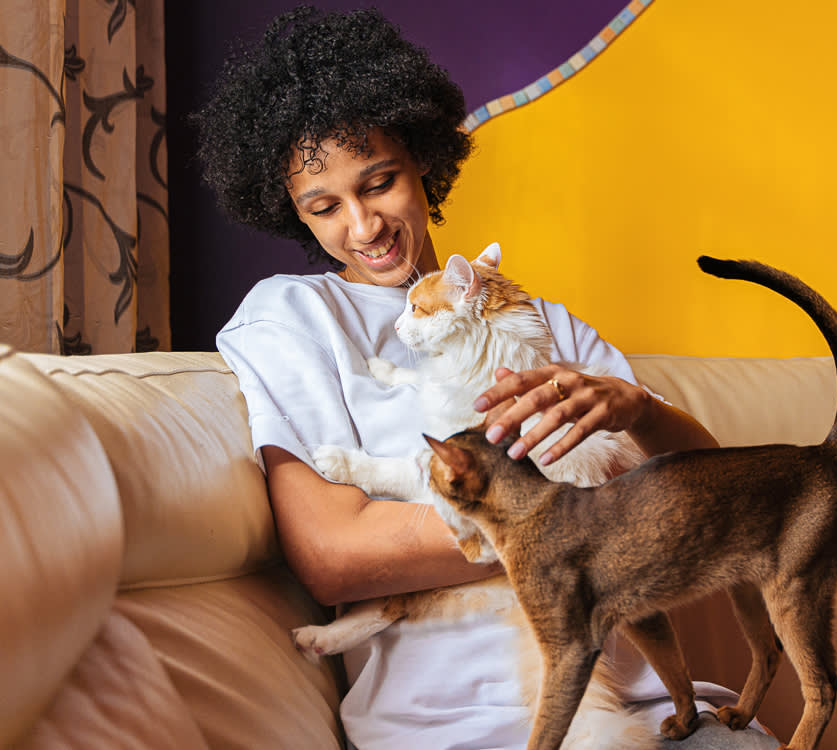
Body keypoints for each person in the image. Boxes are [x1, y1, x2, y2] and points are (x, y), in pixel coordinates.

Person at [195, 6, 781, 749]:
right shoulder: (292, 319)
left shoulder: (543, 322)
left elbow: (704, 502)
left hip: (656, 714)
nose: (364, 226)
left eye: (379, 182)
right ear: (294, 214)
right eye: (324, 206)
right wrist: (587, 523)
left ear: (423, 163)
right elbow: (335, 558)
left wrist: (635, 409)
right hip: (456, 727)